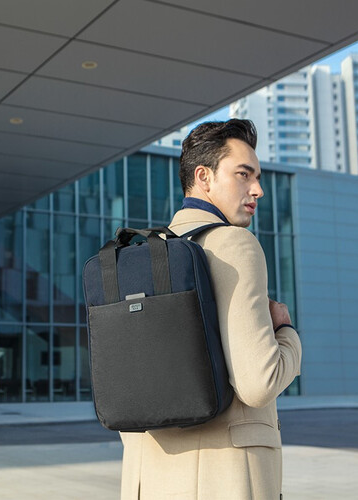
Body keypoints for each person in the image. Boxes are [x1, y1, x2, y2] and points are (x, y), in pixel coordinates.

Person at [120, 119, 302, 500]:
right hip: (222, 481)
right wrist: (286, 333)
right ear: (204, 177)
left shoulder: (138, 256)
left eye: (257, 177)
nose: (258, 190)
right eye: (243, 174)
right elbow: (258, 383)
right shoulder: (235, 245)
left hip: (147, 481)